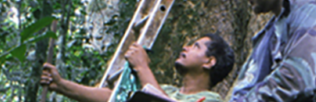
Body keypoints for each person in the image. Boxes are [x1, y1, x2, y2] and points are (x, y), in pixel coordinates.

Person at [40, 34, 235, 102]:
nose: (186, 48)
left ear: (209, 62)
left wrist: (142, 68)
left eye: (196, 46)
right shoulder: (166, 91)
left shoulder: (213, 100)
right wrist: (62, 85)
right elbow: (114, 97)